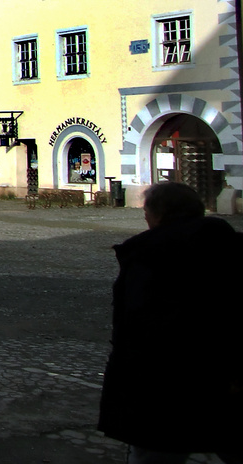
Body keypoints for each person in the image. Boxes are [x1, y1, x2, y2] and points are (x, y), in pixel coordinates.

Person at [98, 182, 243, 463]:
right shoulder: (232, 248)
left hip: (164, 384)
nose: (144, 216)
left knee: (156, 452)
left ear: (158, 214)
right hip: (225, 378)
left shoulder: (150, 255)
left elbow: (141, 324)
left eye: (146, 210)